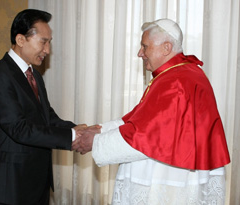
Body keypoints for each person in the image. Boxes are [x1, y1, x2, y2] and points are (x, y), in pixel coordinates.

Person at [73, 18, 230, 204]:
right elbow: (139, 119)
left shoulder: (177, 81)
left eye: (145, 46)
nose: (140, 53)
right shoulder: (179, 73)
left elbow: (148, 136)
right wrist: (100, 130)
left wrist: (96, 141)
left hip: (169, 179)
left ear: (166, 48)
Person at [0, 9, 86, 205]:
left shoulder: (34, 75)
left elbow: (48, 117)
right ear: (21, 40)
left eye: (49, 42)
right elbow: (18, 128)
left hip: (39, 181)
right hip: (14, 184)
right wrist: (72, 138)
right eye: (43, 42)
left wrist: (77, 129)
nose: (47, 50)